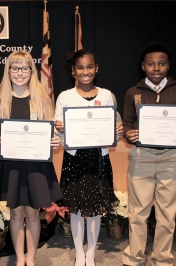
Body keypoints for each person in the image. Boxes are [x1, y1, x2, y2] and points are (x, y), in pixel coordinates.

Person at [122, 42, 176, 266]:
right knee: (138, 212)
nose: (156, 68)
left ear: (168, 66)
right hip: (142, 157)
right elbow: (127, 124)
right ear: (143, 66)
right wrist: (130, 135)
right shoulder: (132, 93)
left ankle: (162, 258)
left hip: (172, 158)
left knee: (167, 213)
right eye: (151, 64)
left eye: (162, 64)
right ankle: (134, 257)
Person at [0, 50, 62, 266]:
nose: (19, 72)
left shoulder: (42, 99)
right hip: (11, 165)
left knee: (32, 213)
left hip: (35, 165)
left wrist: (56, 141)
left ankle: (31, 257)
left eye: (24, 68)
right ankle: (19, 258)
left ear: (32, 71)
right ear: (8, 70)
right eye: (15, 68)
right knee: (16, 212)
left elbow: (51, 133)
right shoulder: (0, 99)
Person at [54, 49, 123, 266]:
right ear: (73, 71)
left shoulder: (106, 95)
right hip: (74, 158)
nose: (86, 72)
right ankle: (79, 253)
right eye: (80, 68)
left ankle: (91, 253)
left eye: (90, 67)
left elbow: (114, 126)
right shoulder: (65, 96)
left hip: (99, 158)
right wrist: (60, 128)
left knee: (94, 209)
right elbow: (57, 134)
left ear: (97, 68)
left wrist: (117, 130)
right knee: (75, 209)